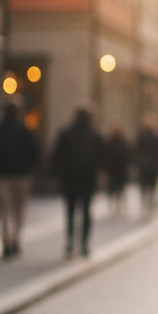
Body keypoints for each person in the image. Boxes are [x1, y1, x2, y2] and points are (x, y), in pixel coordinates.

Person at [0, 99, 40, 258]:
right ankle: (16, 239)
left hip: (2, 175)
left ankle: (7, 238)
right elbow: (34, 151)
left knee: (5, 209)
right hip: (21, 175)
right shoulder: (25, 129)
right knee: (19, 209)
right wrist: (32, 168)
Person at [50, 105, 103, 257]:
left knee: (70, 211)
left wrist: (53, 175)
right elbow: (102, 156)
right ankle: (84, 243)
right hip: (87, 178)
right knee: (86, 211)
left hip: (70, 177)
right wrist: (101, 172)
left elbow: (56, 155)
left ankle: (70, 242)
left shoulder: (66, 133)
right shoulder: (94, 134)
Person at [135, 113, 158, 213]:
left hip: (146, 165)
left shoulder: (141, 137)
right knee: (152, 185)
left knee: (145, 185)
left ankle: (147, 201)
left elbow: (137, 151)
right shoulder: (156, 137)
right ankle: (150, 201)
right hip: (152, 165)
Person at [104, 122, 130, 216]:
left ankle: (114, 204)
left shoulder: (109, 142)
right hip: (120, 169)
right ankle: (118, 205)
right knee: (119, 187)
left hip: (113, 169)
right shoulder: (122, 142)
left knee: (113, 187)